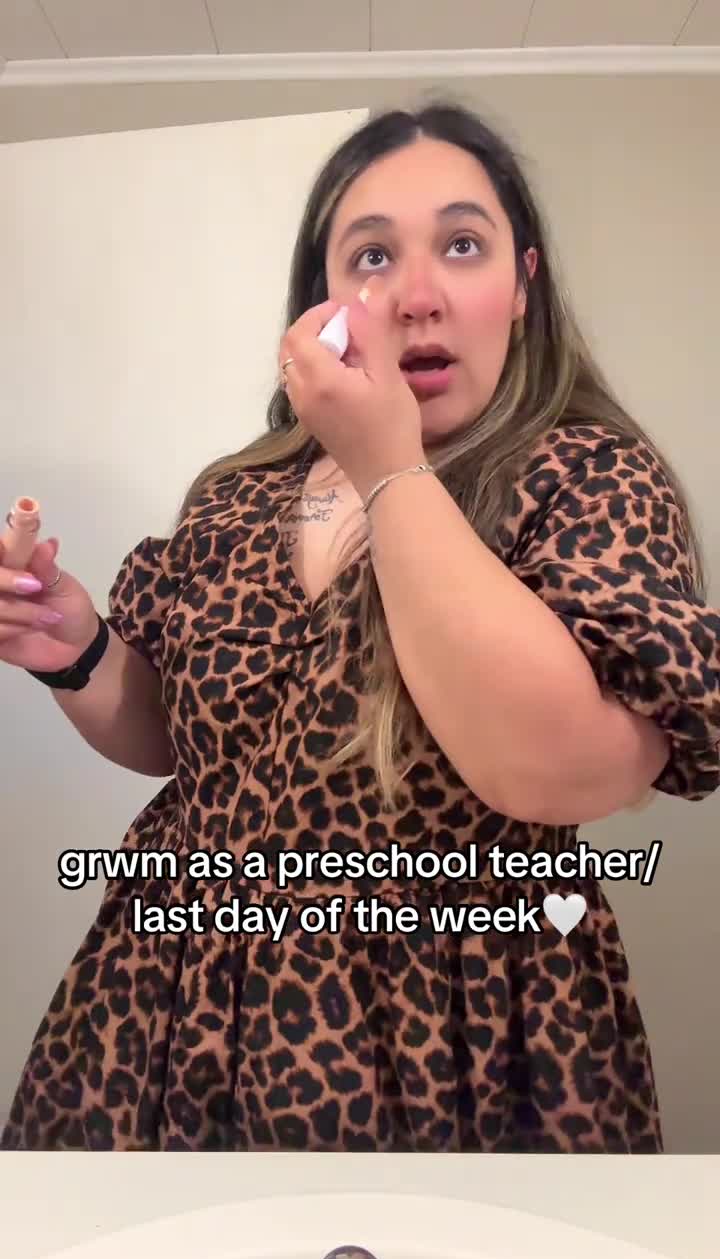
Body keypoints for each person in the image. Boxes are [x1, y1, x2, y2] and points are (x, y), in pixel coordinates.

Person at [2, 98, 718, 1154]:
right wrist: (79, 652)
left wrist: (389, 465)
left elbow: (562, 772)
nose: (418, 296)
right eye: (373, 256)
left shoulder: (589, 477)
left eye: (462, 246)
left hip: (454, 1027)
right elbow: (184, 744)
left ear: (523, 283)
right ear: (324, 305)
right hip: (166, 992)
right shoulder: (236, 493)